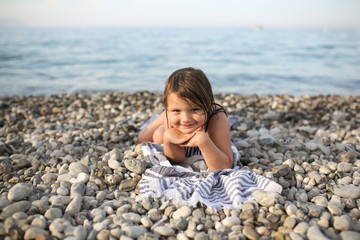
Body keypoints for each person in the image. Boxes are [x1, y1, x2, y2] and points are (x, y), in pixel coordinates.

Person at [138, 67, 233, 170]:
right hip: (170, 117)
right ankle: (169, 114)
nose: (186, 118)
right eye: (176, 110)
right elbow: (178, 159)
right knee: (151, 136)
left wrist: (203, 140)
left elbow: (225, 166)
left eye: (195, 109)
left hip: (205, 121)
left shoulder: (217, 119)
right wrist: (168, 138)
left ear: (208, 105)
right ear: (167, 108)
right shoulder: (172, 118)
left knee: (160, 134)